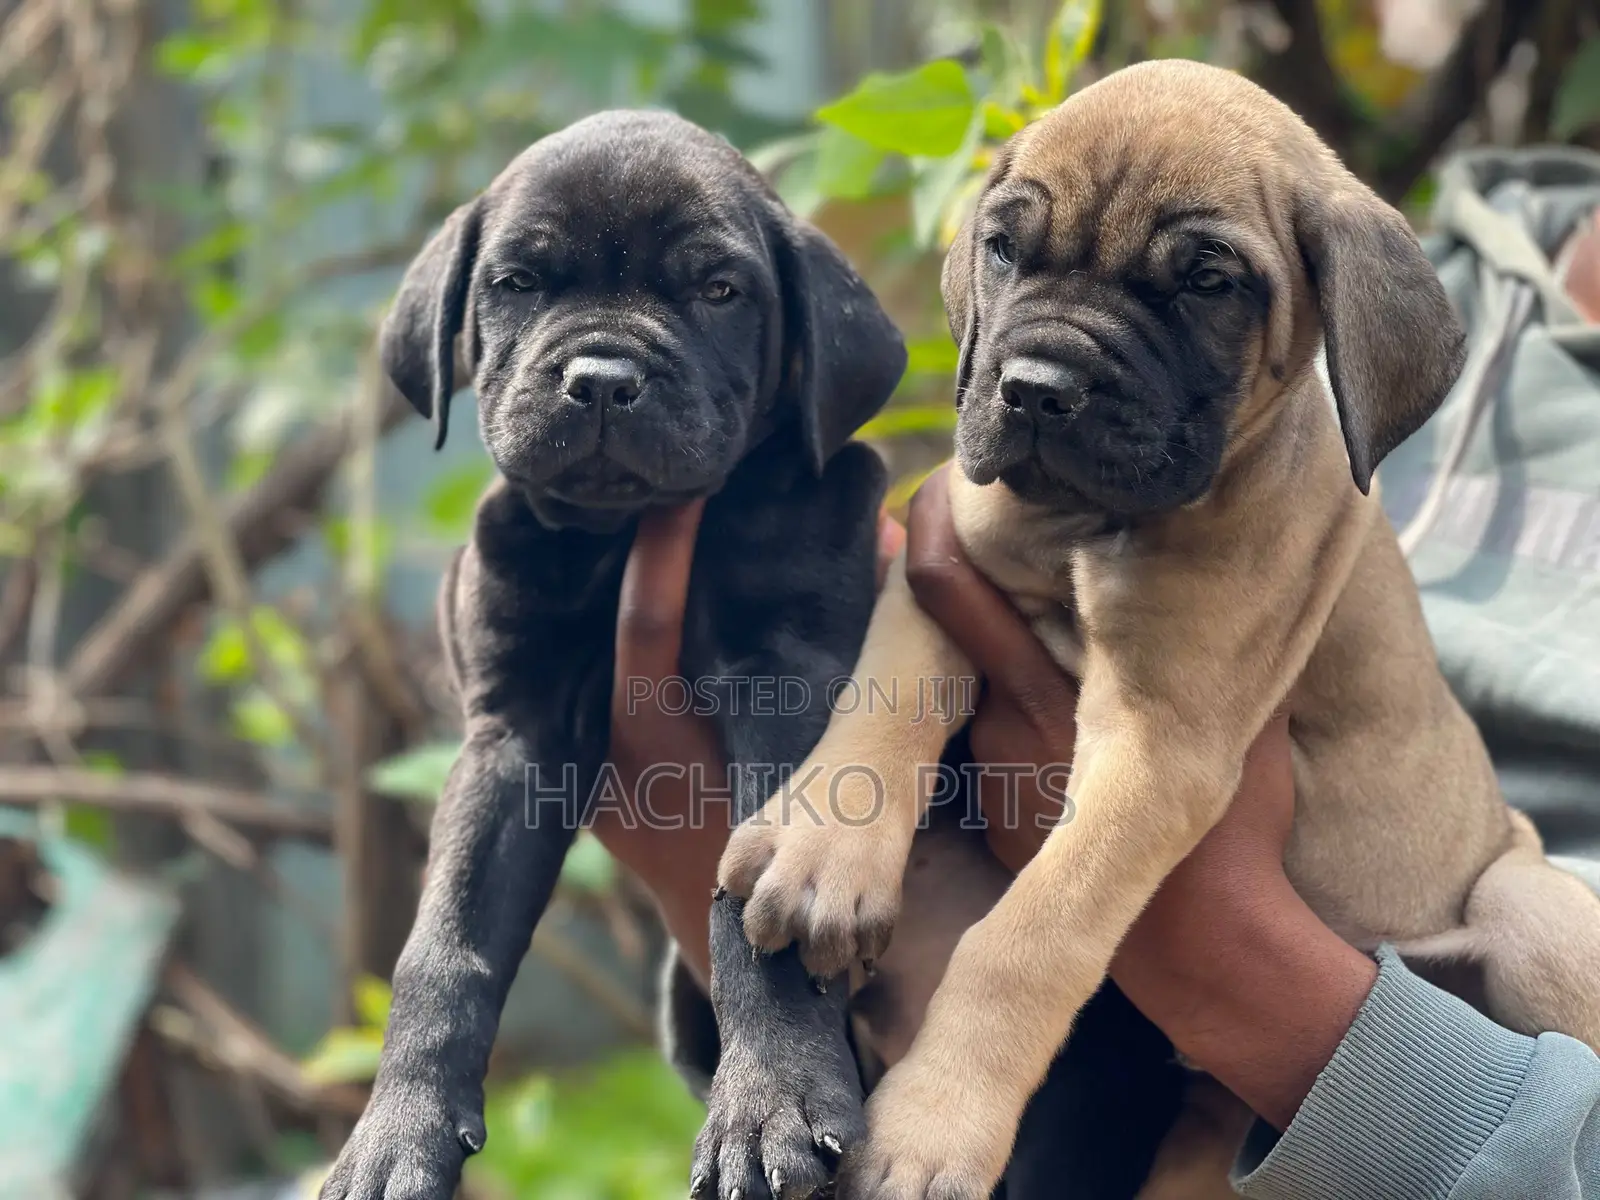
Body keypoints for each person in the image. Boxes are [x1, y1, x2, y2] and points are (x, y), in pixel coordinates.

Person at [593, 466, 1600, 1198]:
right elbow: (945, 581)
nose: (1051, 364)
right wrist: (739, 915)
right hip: (1085, 1043)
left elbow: (1171, 743)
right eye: (1015, 257)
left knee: (1545, 928)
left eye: (1200, 281)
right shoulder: (1470, 260)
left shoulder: (1306, 415)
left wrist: (1235, 971)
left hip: (1417, 968)